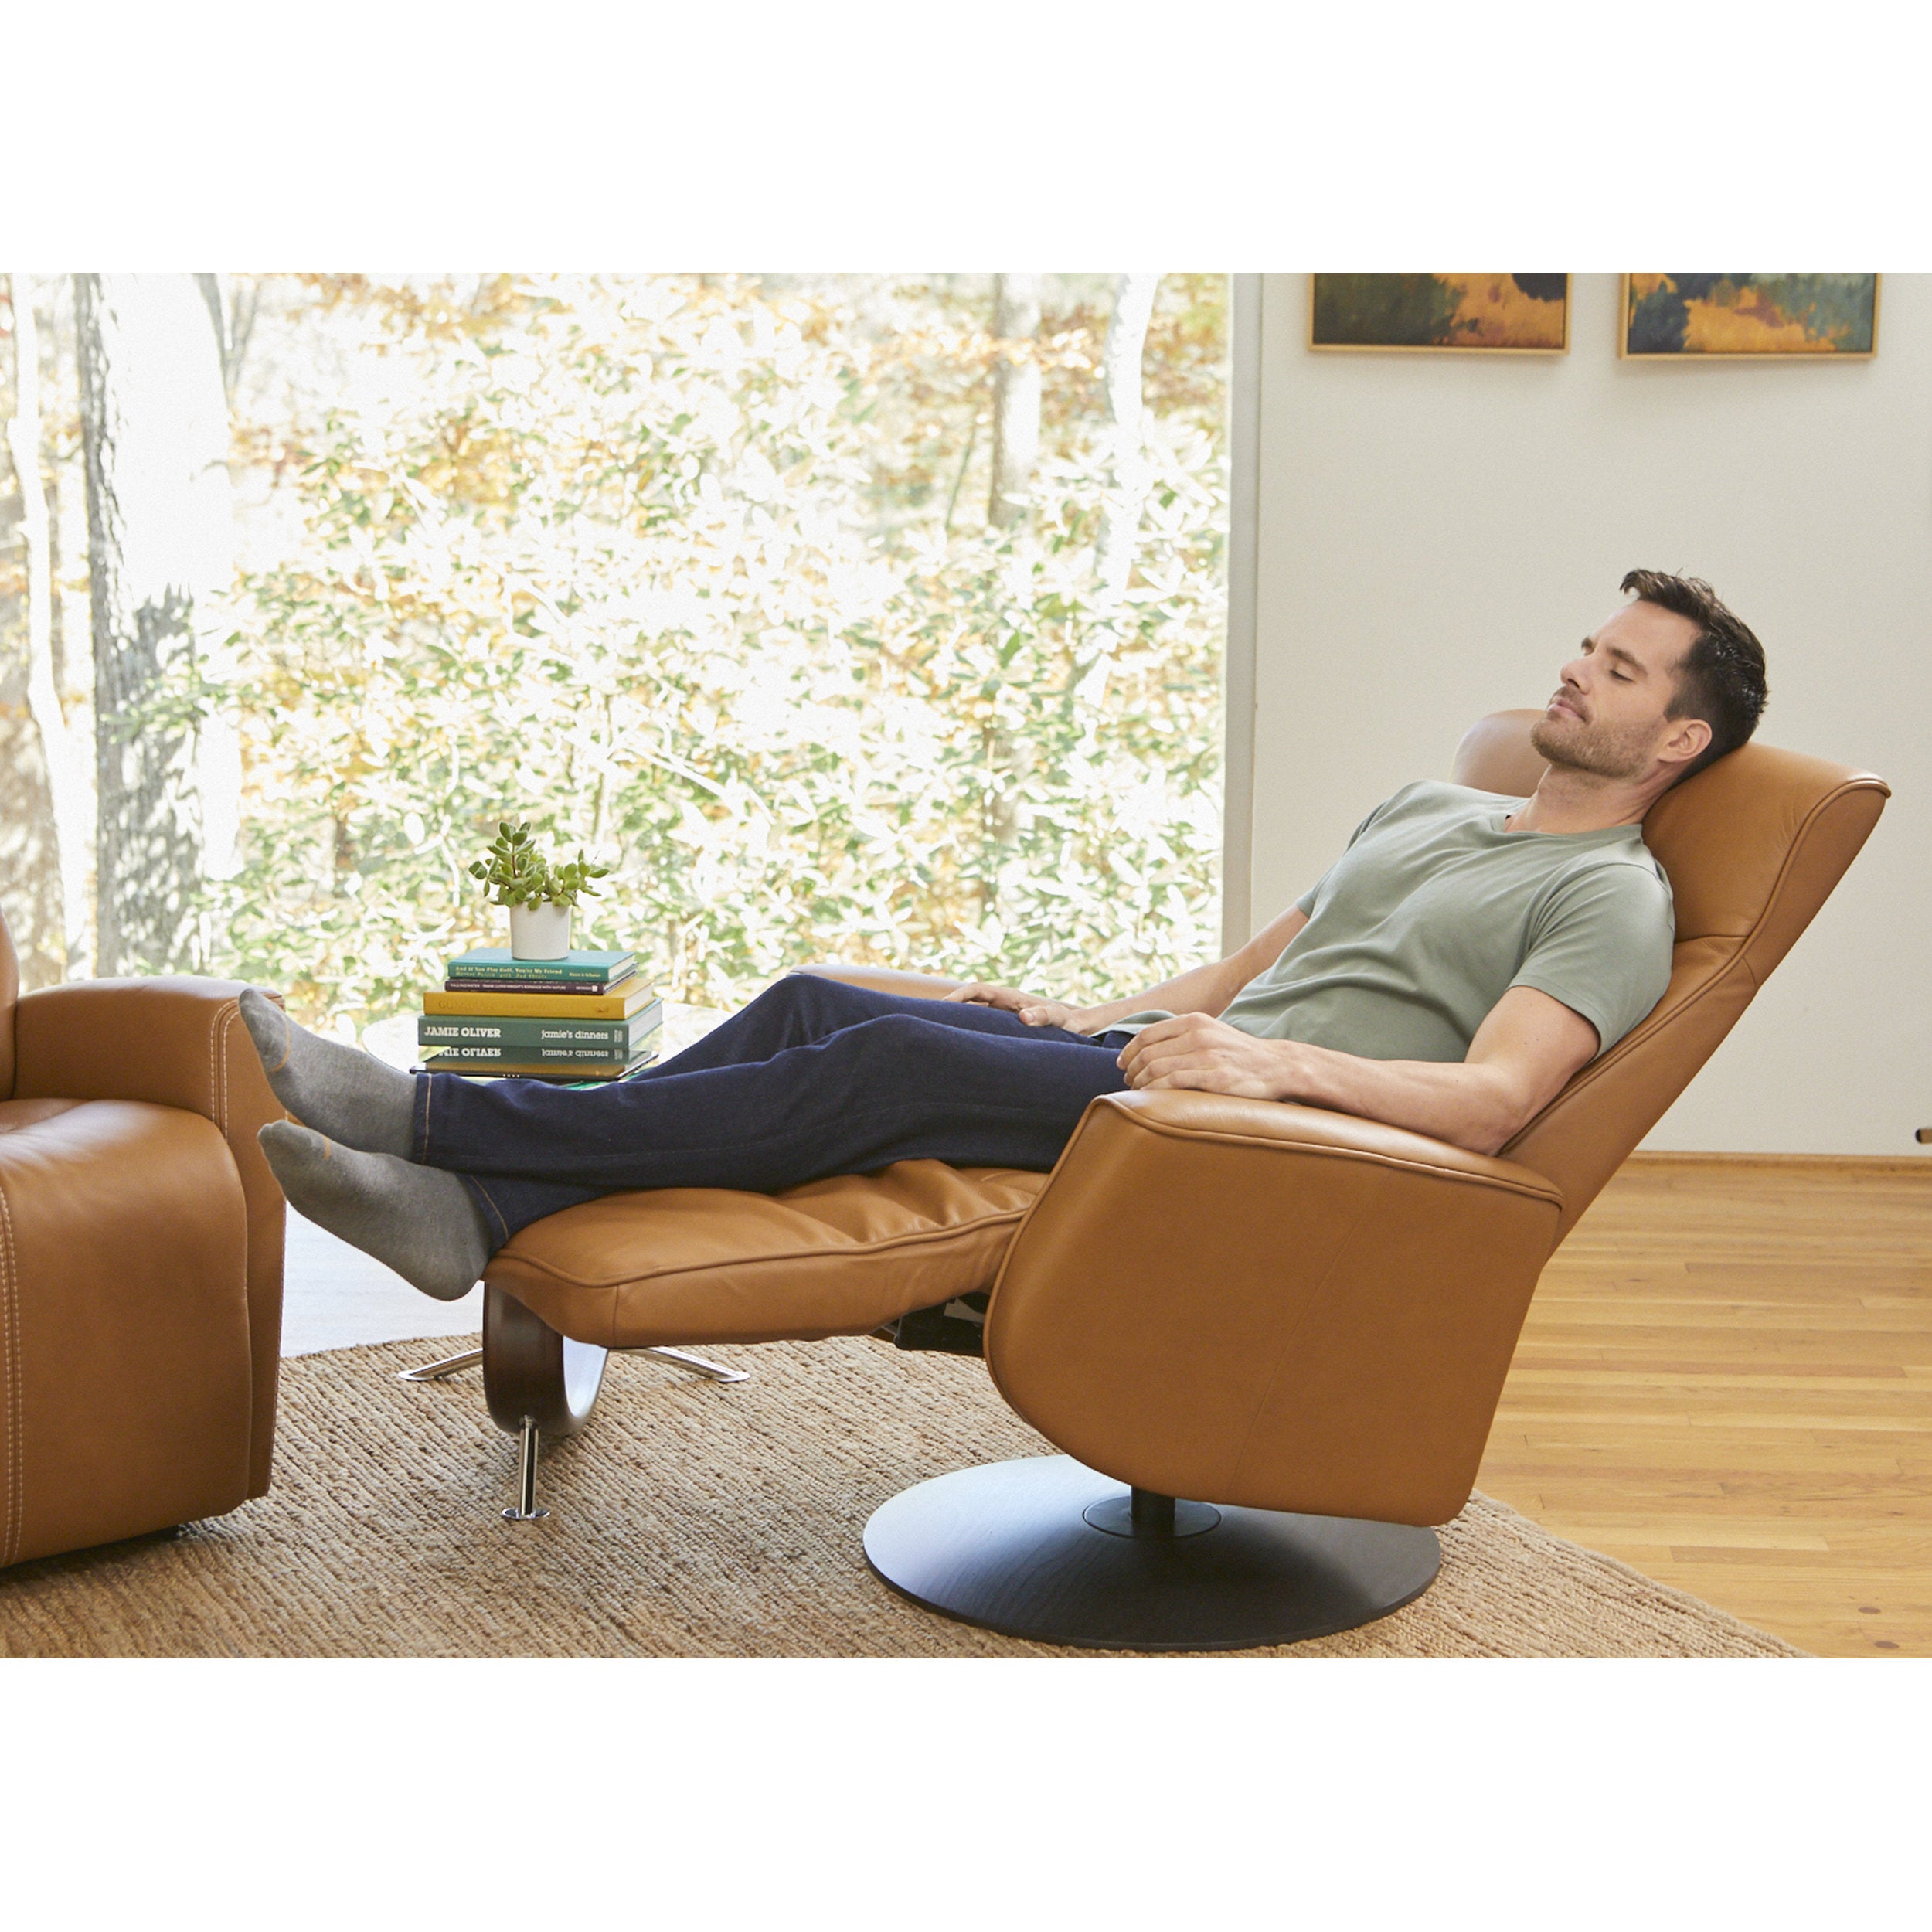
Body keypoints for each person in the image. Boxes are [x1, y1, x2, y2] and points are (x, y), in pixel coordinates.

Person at [243, 569, 1768, 1301]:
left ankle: (440, 1120)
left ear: (1672, 739)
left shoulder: (1607, 901)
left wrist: (1270, 1071)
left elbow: (1496, 1102)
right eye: (1584, 644)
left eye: (1617, 670)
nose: (1571, 673)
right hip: (1161, 1059)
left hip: (1239, 1130)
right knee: (812, 999)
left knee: (893, 1052)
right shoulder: (1435, 808)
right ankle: (485, 1202)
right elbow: (1247, 968)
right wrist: (1070, 1012)